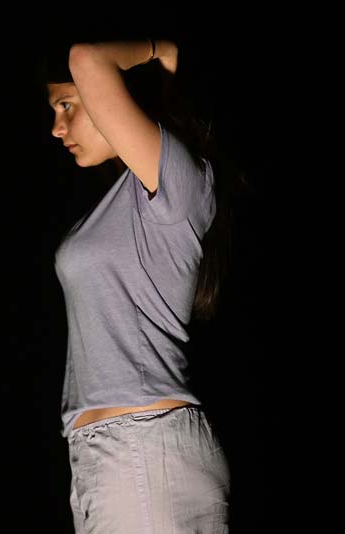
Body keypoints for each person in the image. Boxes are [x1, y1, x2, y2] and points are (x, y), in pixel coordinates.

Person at [45, 37, 231, 533]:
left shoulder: (176, 180)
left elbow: (86, 58)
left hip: (141, 446)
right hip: (118, 451)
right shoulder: (130, 195)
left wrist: (161, 49)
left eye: (68, 105)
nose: (57, 127)